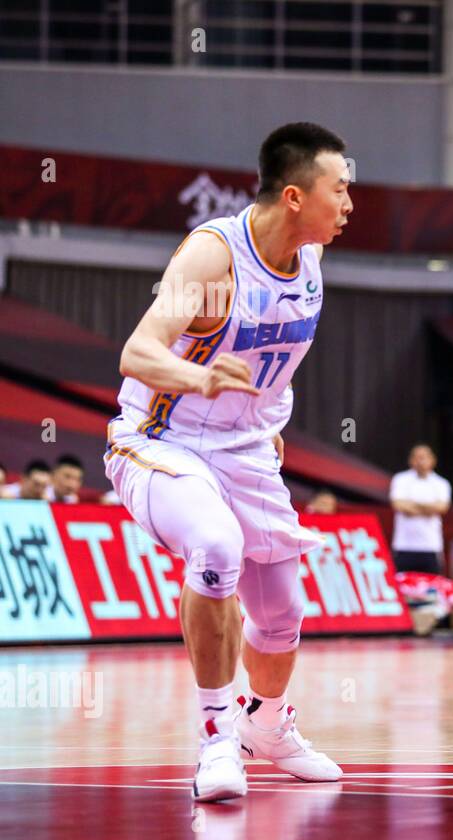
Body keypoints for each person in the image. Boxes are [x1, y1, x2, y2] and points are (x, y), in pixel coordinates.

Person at [106, 122, 351, 802]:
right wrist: (200, 379)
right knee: (216, 548)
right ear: (296, 195)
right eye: (341, 188)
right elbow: (139, 352)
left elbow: (278, 362)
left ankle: (265, 726)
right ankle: (216, 739)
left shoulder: (309, 260)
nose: (351, 203)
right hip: (159, 437)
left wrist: (265, 420)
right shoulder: (214, 258)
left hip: (241, 449)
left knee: (281, 616)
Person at [389, 444, 451, 575]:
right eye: (416, 458)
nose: (420, 461)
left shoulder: (441, 483)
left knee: (431, 590)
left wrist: (413, 506)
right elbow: (398, 504)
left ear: (432, 460)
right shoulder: (400, 479)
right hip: (404, 545)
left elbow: (442, 507)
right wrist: (428, 508)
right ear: (410, 460)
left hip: (430, 545)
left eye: (424, 457)